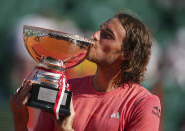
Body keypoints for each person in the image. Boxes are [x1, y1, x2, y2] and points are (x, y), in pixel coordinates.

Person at [10, 11, 161, 131]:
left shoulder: (143, 103)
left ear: (127, 53)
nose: (94, 36)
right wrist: (20, 123)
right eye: (99, 29)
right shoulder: (64, 88)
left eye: (107, 35)